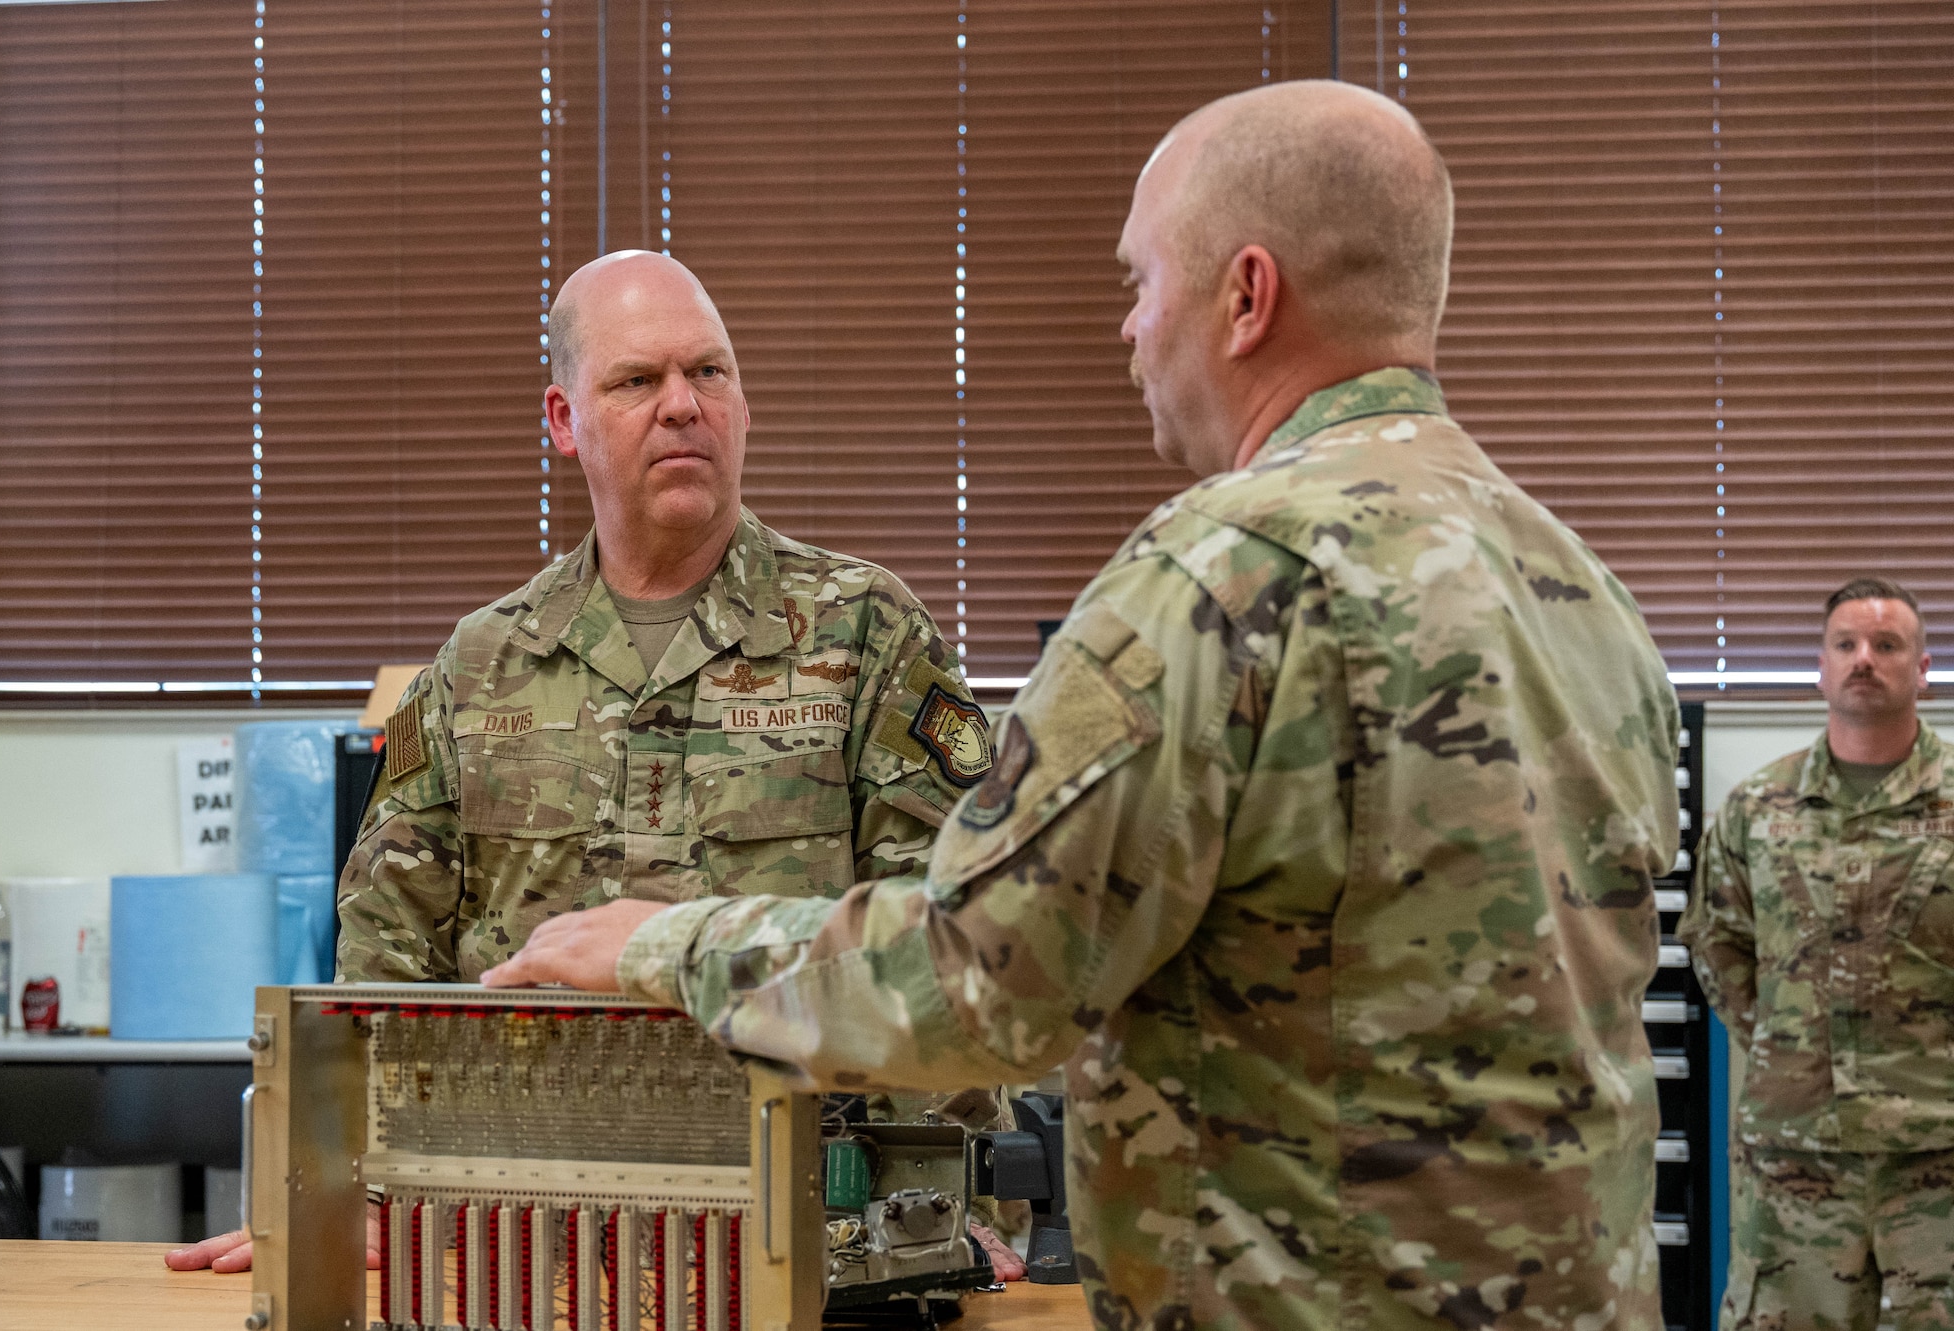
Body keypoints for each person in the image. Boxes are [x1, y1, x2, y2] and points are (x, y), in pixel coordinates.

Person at [482, 81, 1681, 1330]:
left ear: (1245, 296)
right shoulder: (1576, 587)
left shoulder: (1215, 581)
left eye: (1139, 280)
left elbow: (976, 978)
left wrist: (654, 945)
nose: (1127, 328)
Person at [167, 250, 1004, 1276]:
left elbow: (950, 928)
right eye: (636, 380)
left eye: (710, 372)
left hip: (806, 1242)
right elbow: (384, 959)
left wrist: (943, 1216)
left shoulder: (865, 630)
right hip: (519, 1244)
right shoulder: (479, 665)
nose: (682, 406)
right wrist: (348, 1191)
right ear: (562, 420)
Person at [1682, 578, 1954, 1331]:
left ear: (1923, 668)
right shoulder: (1756, 807)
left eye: (1887, 644)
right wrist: (1791, 1046)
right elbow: (1718, 943)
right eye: (1846, 644)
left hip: (1938, 1149)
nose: (1864, 659)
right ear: (1821, 669)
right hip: (1795, 1151)